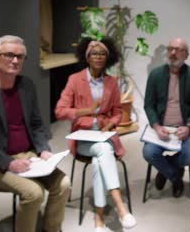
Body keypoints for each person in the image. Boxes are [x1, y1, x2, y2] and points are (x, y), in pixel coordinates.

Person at [0, 35, 71, 232]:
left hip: (29, 156)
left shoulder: (26, 86)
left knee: (64, 184)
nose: (15, 60)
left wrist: (43, 150)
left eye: (20, 56)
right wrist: (9, 163)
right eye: (9, 55)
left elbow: (37, 124)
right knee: (34, 193)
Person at [55, 37, 137, 232]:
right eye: (94, 53)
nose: (98, 57)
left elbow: (117, 111)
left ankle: (99, 219)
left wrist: (111, 123)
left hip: (103, 135)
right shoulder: (75, 80)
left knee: (100, 159)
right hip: (83, 137)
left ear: (107, 58)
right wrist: (86, 110)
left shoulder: (111, 82)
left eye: (102, 54)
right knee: (103, 151)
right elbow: (60, 111)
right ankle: (120, 207)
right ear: (87, 57)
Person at [143, 37, 190, 198]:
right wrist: (156, 126)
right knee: (149, 153)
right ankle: (175, 176)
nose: (172, 53)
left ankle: (164, 171)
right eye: (170, 49)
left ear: (186, 54)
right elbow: (148, 105)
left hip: (184, 128)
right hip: (162, 127)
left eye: (177, 50)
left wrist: (189, 126)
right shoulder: (155, 75)